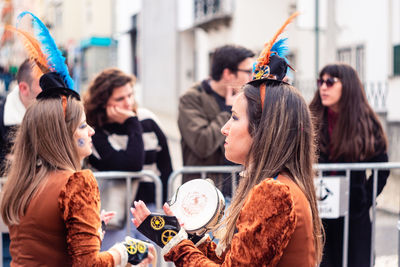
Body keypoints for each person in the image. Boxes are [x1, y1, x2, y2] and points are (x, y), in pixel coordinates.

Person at [132, 12, 324, 266]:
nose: (224, 128)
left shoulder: (274, 192)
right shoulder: (277, 185)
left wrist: (175, 243)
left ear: (263, 129)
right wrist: (177, 234)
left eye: (233, 117)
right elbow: (234, 260)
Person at [0, 11, 155, 266]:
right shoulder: (76, 183)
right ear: (63, 134)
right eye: (83, 125)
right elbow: (88, 264)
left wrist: (90, 228)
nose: (91, 131)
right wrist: (124, 251)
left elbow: (46, 241)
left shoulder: (23, 179)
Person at [309, 63, 390, 267]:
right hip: (319, 211)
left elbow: (382, 168)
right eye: (321, 81)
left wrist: (363, 199)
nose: (323, 87)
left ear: (348, 86)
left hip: (353, 213)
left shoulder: (365, 122)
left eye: (330, 81)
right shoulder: (311, 117)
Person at [84, 68, 173, 248]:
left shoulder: (148, 120)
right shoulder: (94, 130)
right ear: (103, 102)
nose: (128, 103)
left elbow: (166, 167)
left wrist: (165, 209)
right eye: (120, 99)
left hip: (151, 210)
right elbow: (131, 164)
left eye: (130, 95)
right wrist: (132, 123)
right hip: (114, 214)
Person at [178, 44, 254, 197]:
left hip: (239, 190)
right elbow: (202, 144)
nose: (252, 77)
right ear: (228, 74)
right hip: (206, 195)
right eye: (248, 71)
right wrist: (229, 111)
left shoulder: (247, 98)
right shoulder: (192, 98)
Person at [0, 59, 41, 171]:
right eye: (42, 83)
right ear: (24, 88)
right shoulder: (2, 115)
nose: (50, 88)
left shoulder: (56, 111)